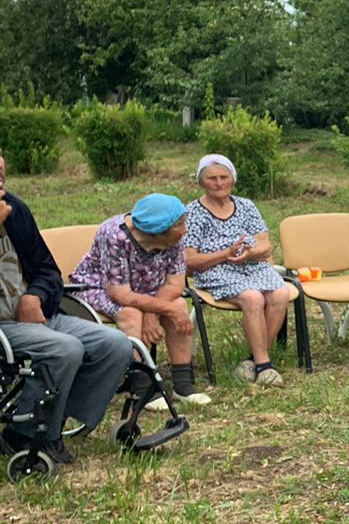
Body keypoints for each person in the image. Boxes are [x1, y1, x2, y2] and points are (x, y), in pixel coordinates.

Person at [0, 152, 133, 466]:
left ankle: (51, 425)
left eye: (1, 165)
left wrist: (34, 296)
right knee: (65, 349)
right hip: (4, 326)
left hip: (38, 315)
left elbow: (47, 270)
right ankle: (26, 435)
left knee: (114, 345)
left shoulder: (15, 209)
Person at [71, 193, 212, 405]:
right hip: (99, 285)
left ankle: (182, 384)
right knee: (130, 314)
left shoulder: (175, 238)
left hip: (149, 289)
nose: (185, 229)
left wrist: (153, 313)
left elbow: (175, 283)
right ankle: (141, 386)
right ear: (158, 232)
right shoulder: (115, 235)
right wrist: (153, 309)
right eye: (180, 225)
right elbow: (119, 294)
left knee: (178, 304)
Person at [184, 154, 297, 387]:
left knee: (281, 293)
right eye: (212, 178)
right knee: (253, 298)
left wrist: (249, 254)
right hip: (213, 269)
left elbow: (265, 245)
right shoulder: (193, 212)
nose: (219, 183)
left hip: (251, 265)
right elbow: (190, 259)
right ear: (201, 182)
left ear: (232, 179)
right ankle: (265, 365)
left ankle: (251, 361)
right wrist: (226, 254)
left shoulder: (246, 206)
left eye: (224, 177)